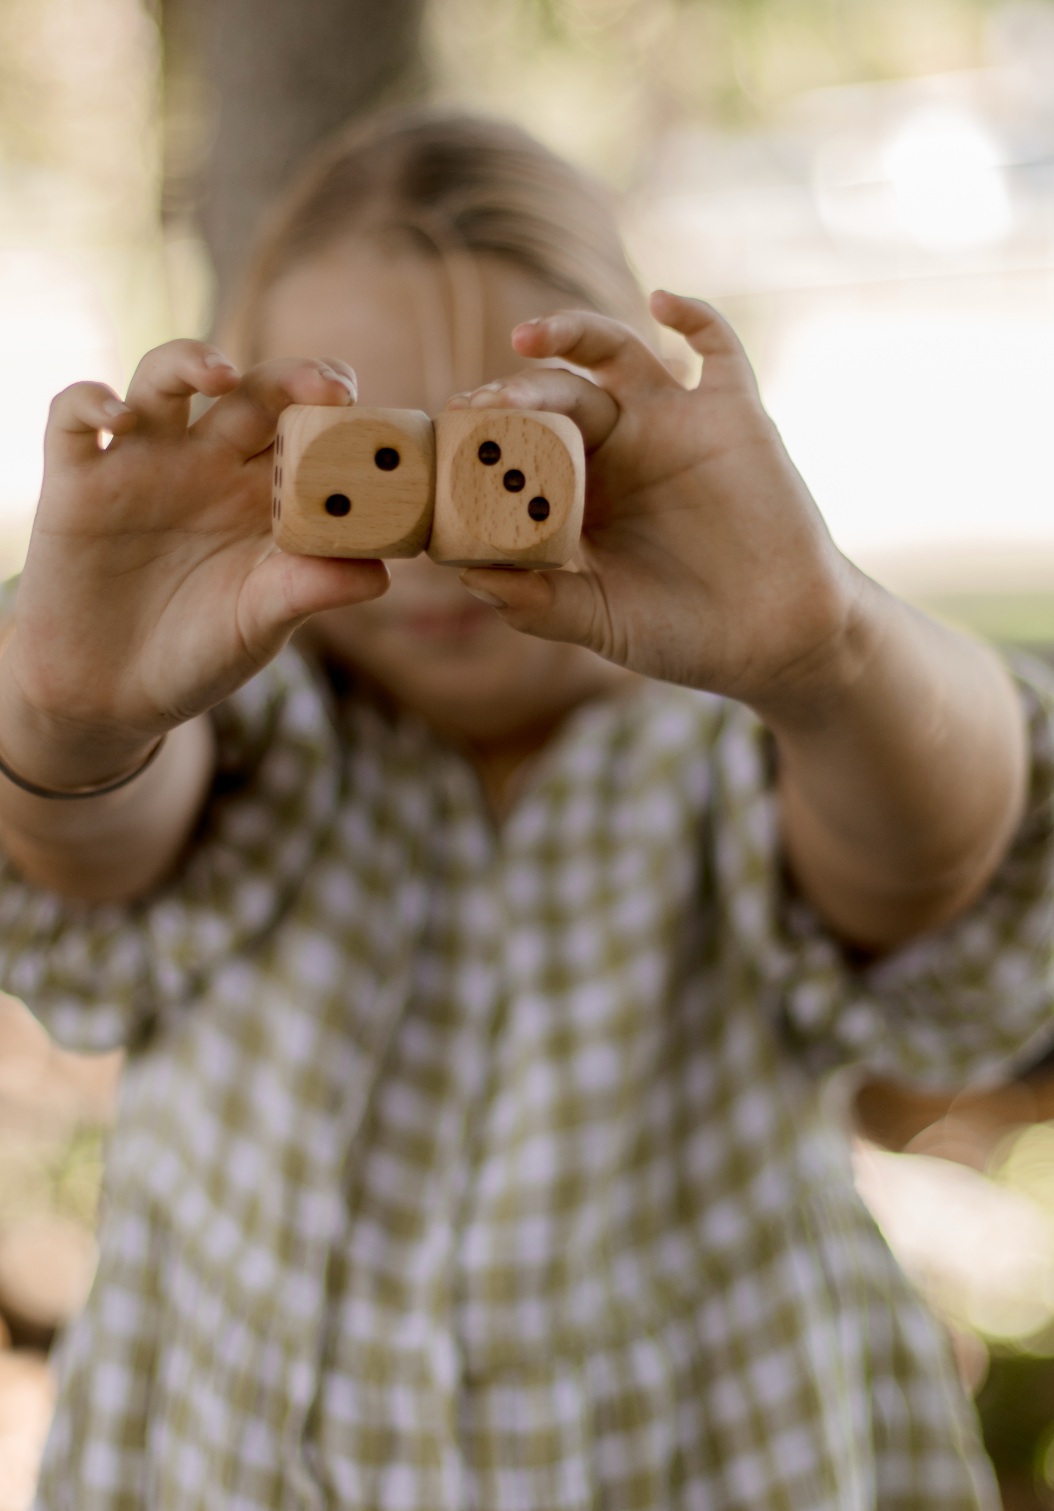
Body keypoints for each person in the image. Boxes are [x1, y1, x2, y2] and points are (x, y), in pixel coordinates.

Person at [0, 109, 1050, 1511]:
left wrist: (824, 650)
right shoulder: (248, 727)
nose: (437, 544)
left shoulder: (736, 746)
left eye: (499, 450)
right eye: (375, 459)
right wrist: (75, 709)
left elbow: (923, 851)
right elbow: (89, 834)